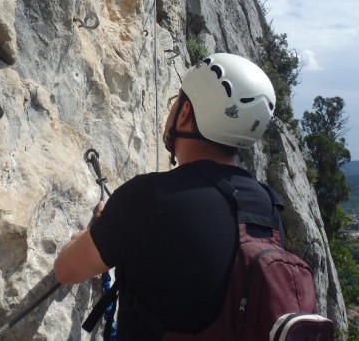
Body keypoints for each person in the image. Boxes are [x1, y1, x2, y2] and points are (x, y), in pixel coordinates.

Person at [54, 53, 277, 340]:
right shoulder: (266, 205)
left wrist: (99, 229)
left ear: (184, 112)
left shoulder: (151, 197)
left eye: (177, 100)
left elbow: (67, 269)